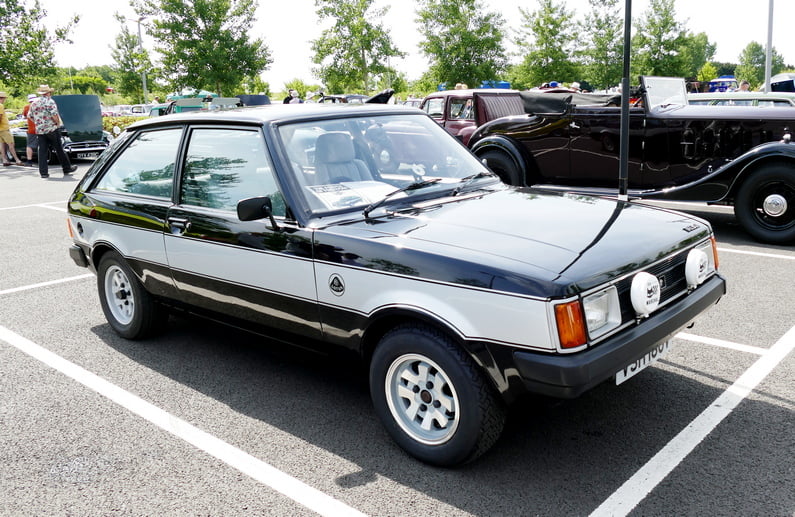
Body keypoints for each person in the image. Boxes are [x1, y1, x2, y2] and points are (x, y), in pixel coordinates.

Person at [28, 84, 77, 178]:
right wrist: (57, 124)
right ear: (48, 93)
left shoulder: (34, 103)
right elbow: (54, 115)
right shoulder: (50, 102)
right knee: (59, 149)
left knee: (42, 151)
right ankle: (66, 168)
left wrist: (37, 123)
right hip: (51, 128)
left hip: (40, 130)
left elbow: (29, 116)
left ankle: (43, 173)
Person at [0, 91, 24, 166]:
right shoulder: (0, 105)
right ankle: (17, 160)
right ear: (2, 98)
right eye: (4, 98)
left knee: (2, 144)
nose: (4, 100)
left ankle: (4, 160)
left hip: (0, 129)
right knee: (11, 144)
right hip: (4, 128)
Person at [22, 94, 37, 166]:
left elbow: (24, 116)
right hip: (42, 128)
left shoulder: (27, 107)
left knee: (30, 145)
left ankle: (29, 161)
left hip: (32, 129)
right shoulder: (40, 106)